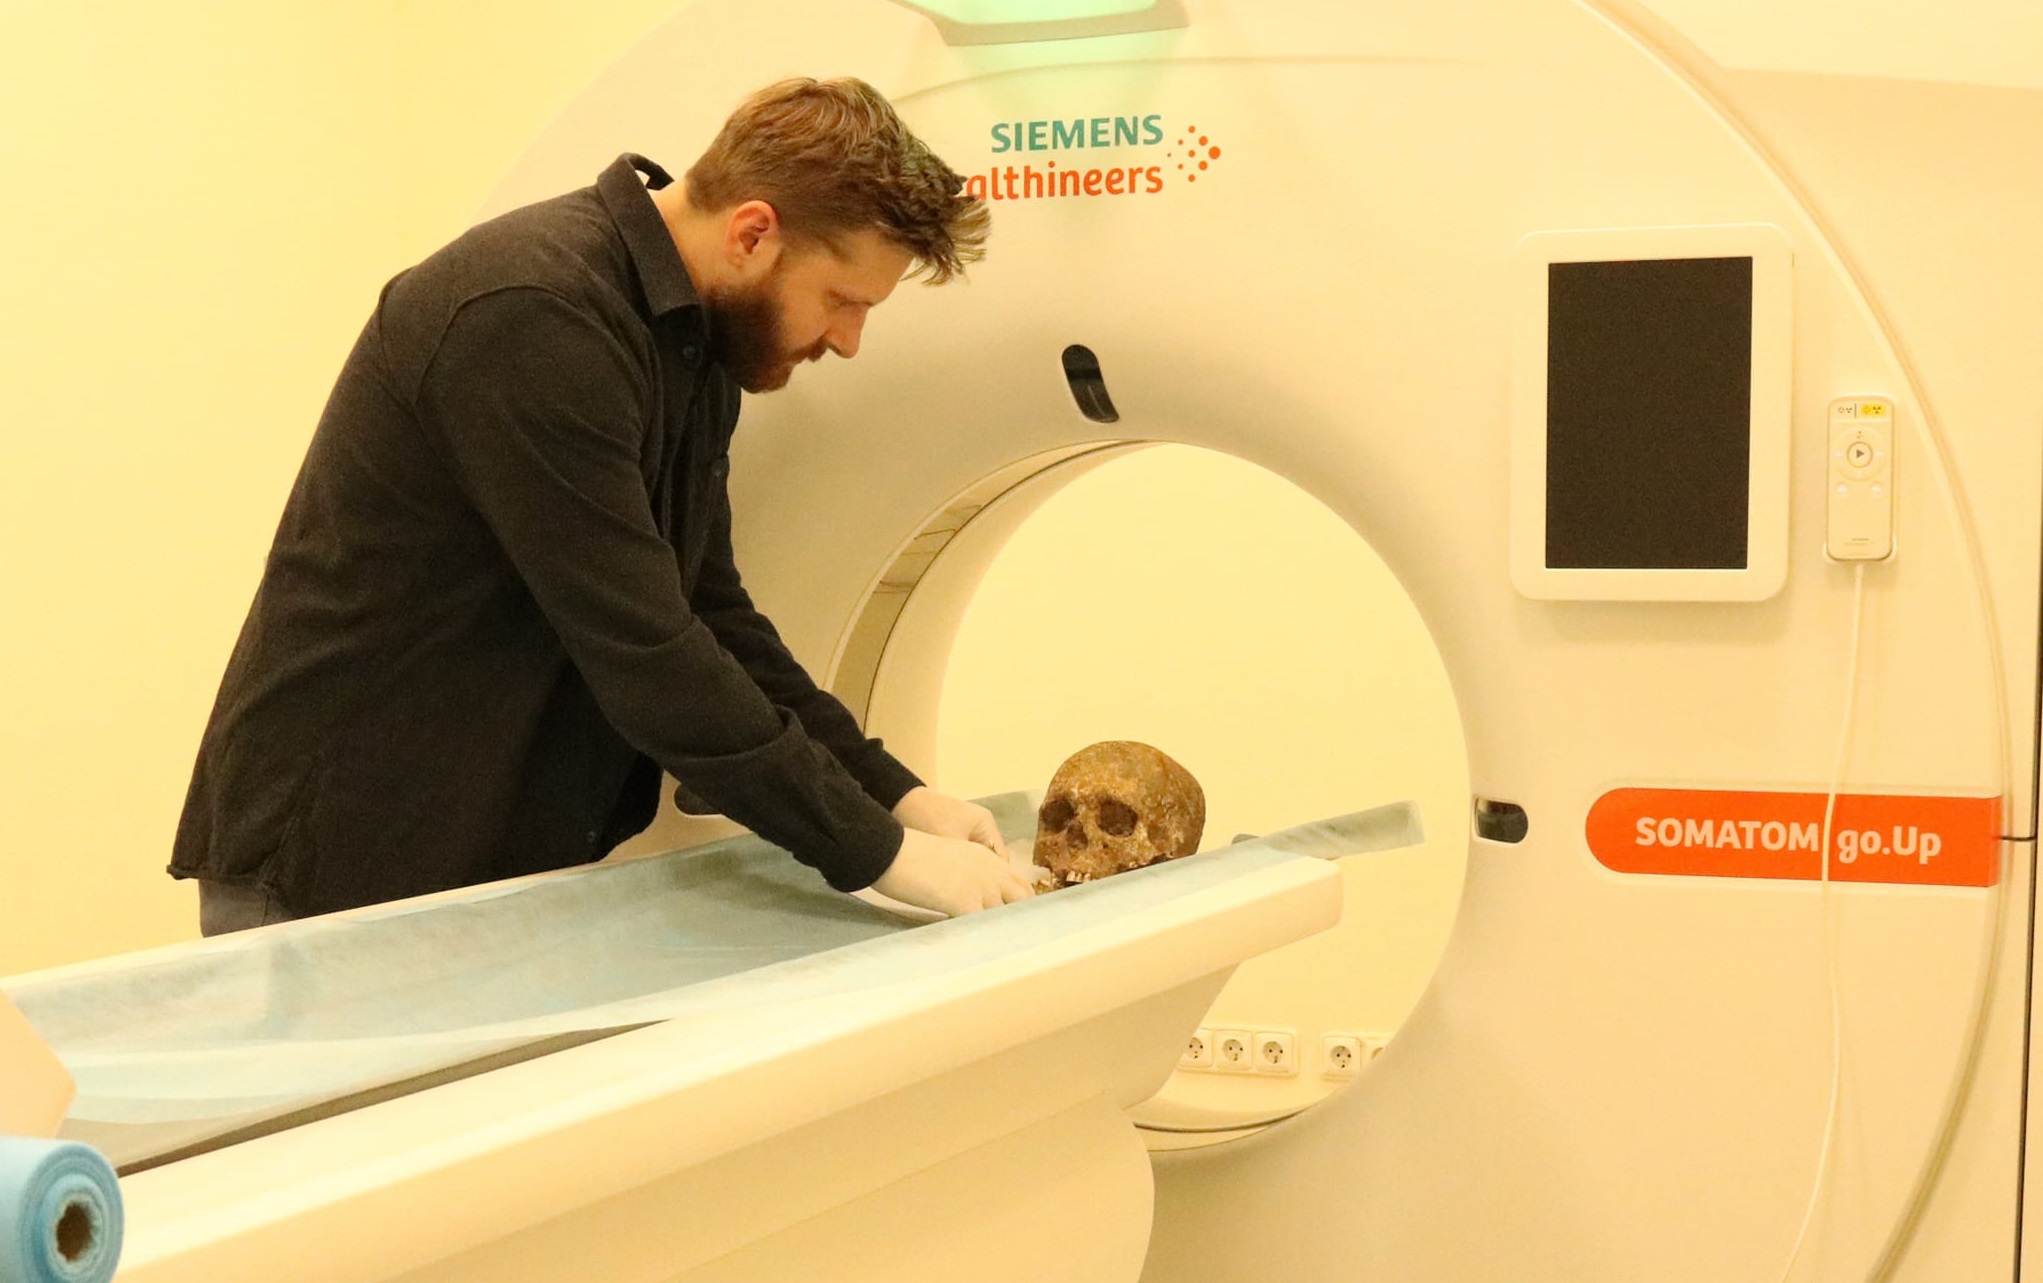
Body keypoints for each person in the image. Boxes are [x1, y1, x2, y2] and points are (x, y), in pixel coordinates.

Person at [170, 77, 1031, 934]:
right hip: (344, 863)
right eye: (842, 300)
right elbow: (646, 651)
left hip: (488, 860)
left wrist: (897, 794)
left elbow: (711, 614)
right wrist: (879, 852)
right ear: (752, 233)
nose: (846, 339)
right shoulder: (530, 314)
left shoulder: (692, 345)